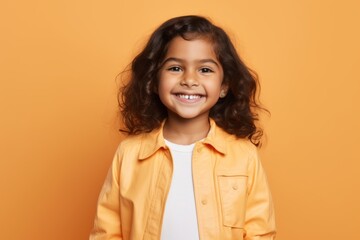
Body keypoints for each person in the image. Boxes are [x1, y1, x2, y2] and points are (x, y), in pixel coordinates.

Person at [90, 15, 276, 240]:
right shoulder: (129, 154)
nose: (189, 79)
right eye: (176, 68)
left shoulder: (244, 155)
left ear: (224, 85)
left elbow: (260, 233)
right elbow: (106, 233)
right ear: (153, 81)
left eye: (205, 70)